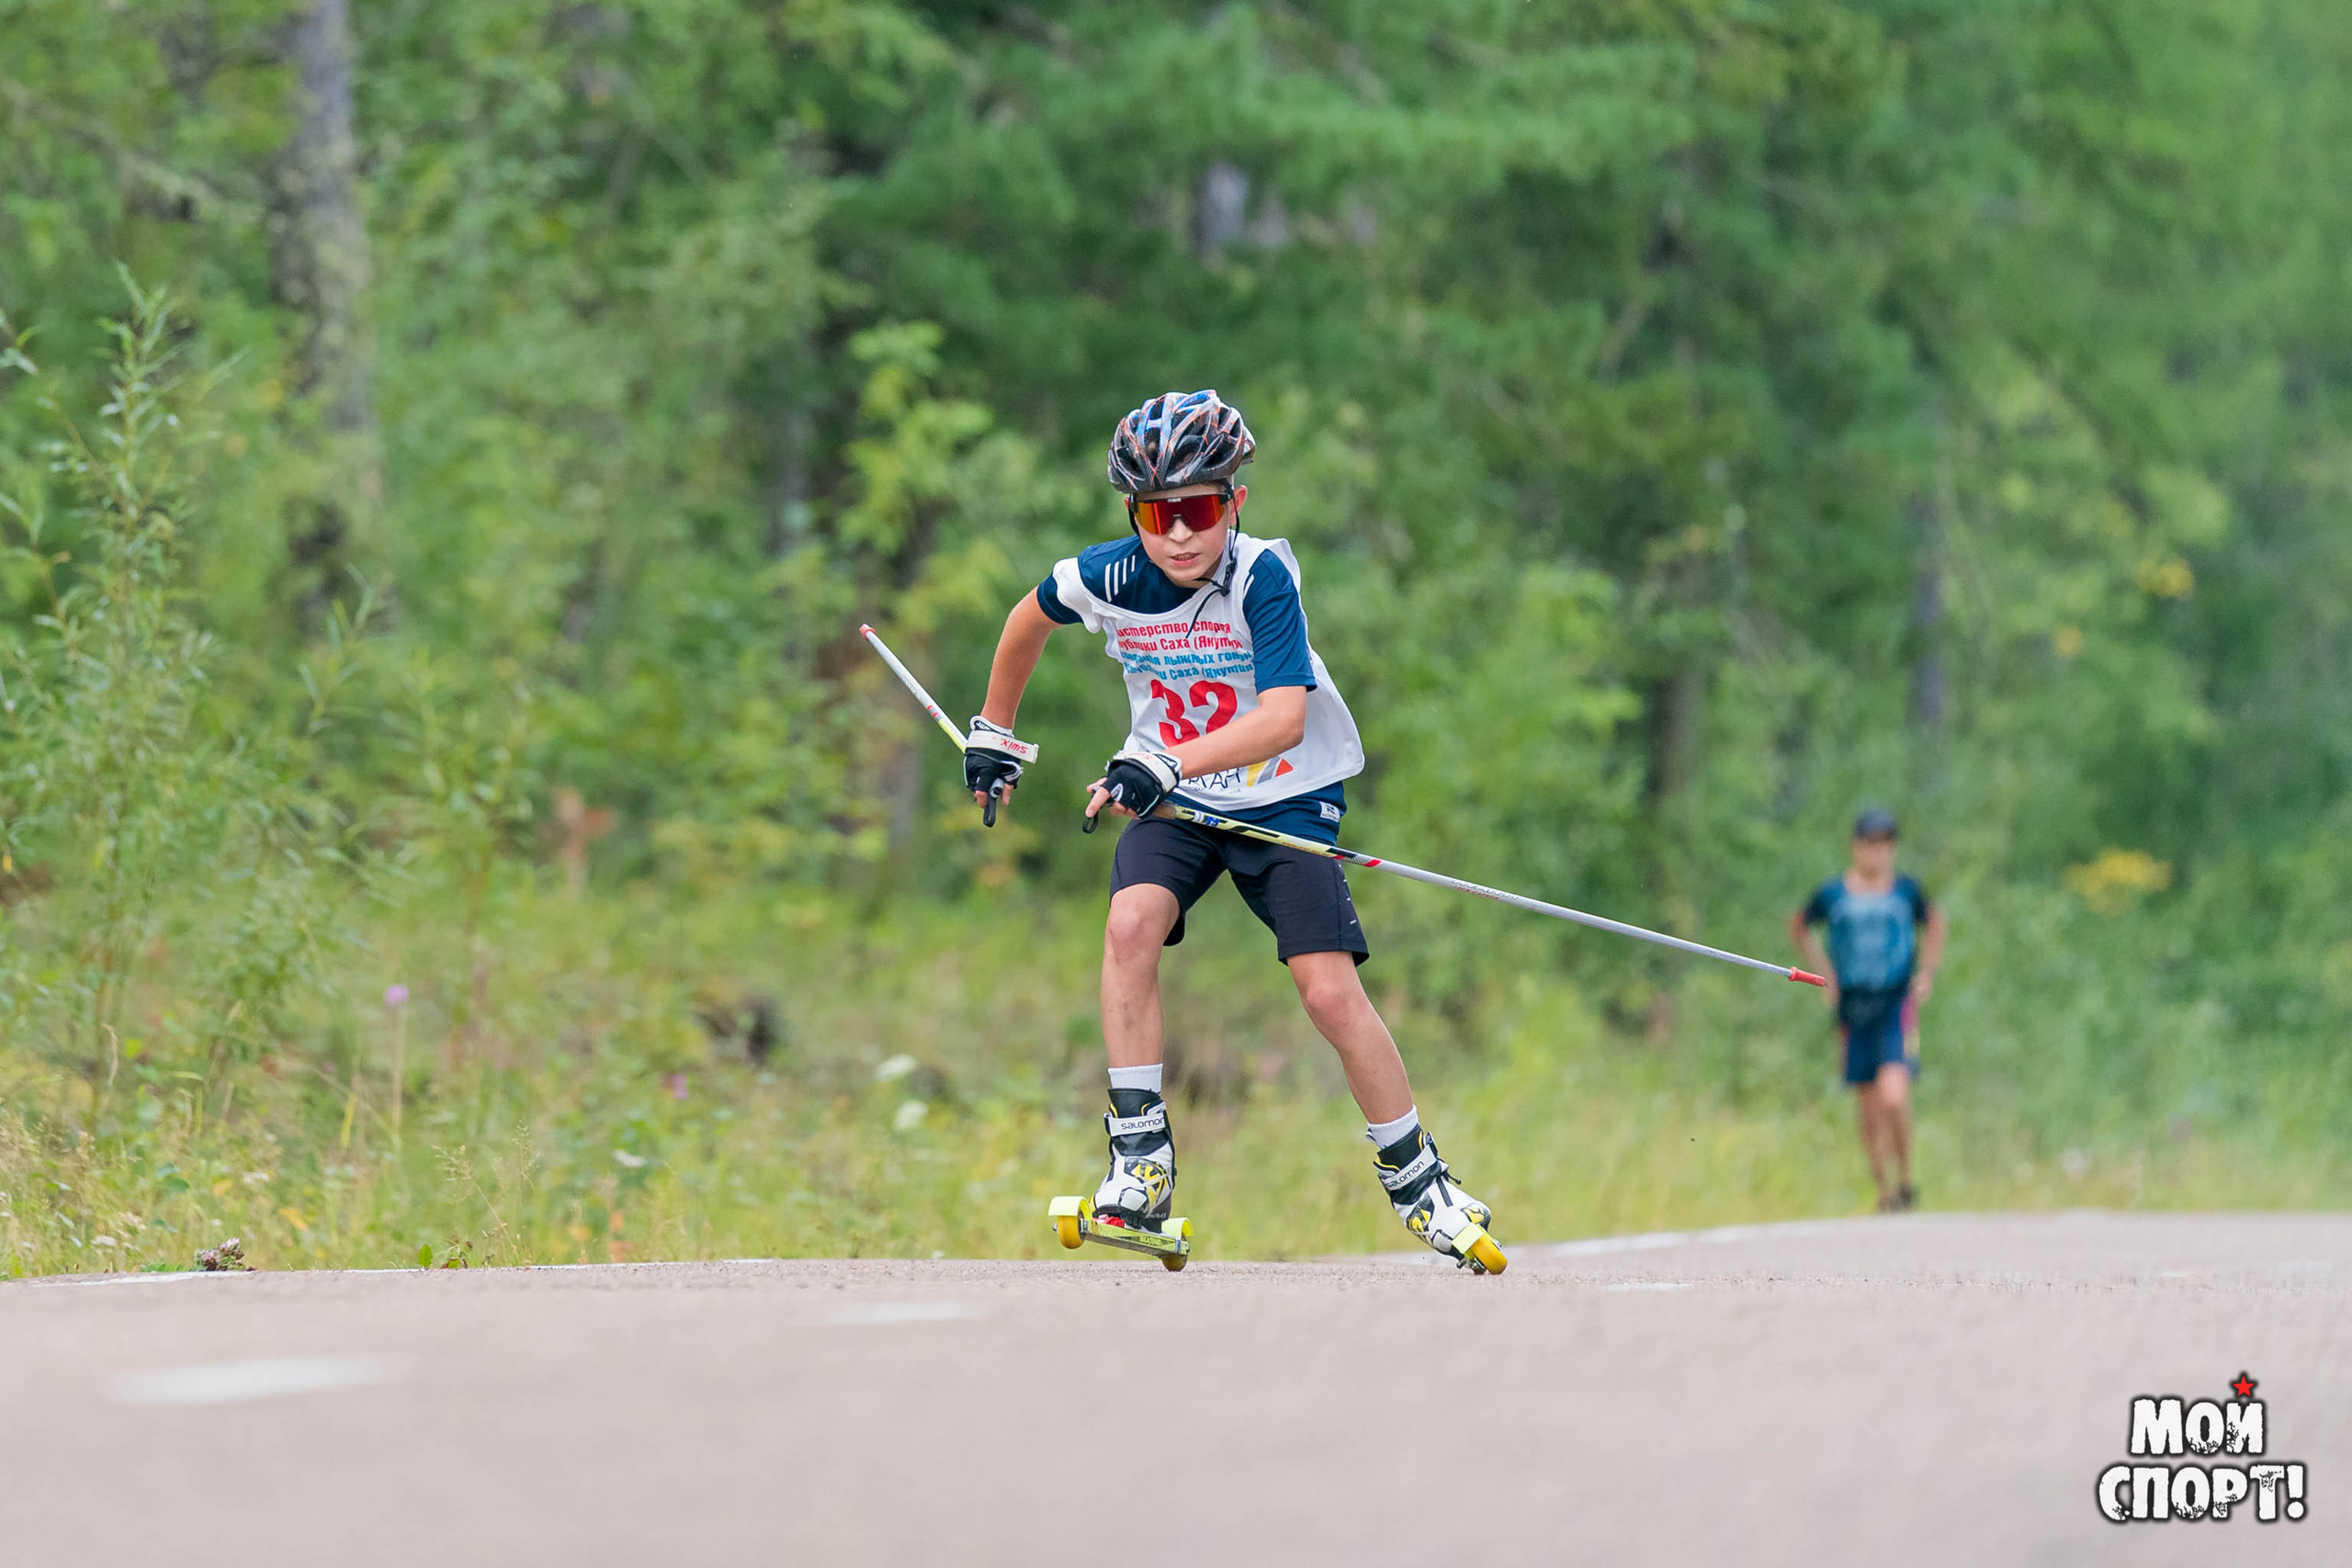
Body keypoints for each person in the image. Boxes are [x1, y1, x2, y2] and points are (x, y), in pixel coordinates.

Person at [961, 389, 1501, 1270]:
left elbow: (1285, 718)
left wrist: (1168, 763)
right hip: (1175, 797)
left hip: (1284, 796)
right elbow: (1027, 621)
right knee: (1129, 925)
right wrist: (995, 729)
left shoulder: (1262, 578)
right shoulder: (1108, 574)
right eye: (1157, 514)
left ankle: (1421, 1180)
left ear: (1235, 504)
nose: (1179, 534)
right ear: (1134, 515)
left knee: (1325, 989)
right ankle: (1139, 1164)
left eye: (1200, 509)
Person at [1789, 808, 1949, 1213]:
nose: (1878, 853)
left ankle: (1907, 1177)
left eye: (1886, 845)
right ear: (1856, 846)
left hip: (1894, 1003)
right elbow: (1799, 925)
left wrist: (1927, 973)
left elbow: (1936, 922)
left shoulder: (1906, 891)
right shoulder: (1834, 895)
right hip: (1853, 1006)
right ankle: (1884, 1190)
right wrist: (1823, 973)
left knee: (1895, 1096)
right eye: (1871, 844)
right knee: (1869, 1106)